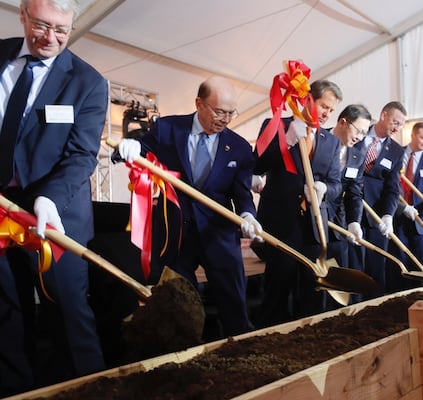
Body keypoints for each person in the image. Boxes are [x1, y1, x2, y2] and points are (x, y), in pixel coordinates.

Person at [0, 0, 108, 394]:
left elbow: (82, 155)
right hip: (1, 215)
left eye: (61, 30)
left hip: (56, 216)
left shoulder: (87, 82)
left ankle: (91, 389)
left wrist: (49, 197)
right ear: (23, 15)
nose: (51, 39)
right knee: (7, 311)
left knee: (69, 314)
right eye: (42, 26)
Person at [117, 76, 262, 338]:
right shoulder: (168, 129)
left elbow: (241, 194)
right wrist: (131, 144)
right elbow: (142, 146)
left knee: (233, 297)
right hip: (175, 232)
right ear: (199, 103)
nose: (225, 119)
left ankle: (240, 343)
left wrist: (248, 215)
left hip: (218, 232)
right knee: (179, 300)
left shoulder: (239, 148)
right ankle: (187, 349)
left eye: (231, 113)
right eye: (219, 111)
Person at [253, 79, 342, 327]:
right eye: (324, 106)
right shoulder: (277, 126)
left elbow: (336, 184)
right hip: (281, 225)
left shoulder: (331, 141)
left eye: (331, 111)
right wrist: (289, 140)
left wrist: (324, 189)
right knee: (277, 292)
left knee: (312, 295)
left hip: (313, 229)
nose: (326, 114)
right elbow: (258, 164)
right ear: (308, 99)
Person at [351, 101, 406, 296]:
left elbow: (393, 188)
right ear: (384, 115)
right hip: (349, 211)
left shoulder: (397, 151)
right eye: (395, 122)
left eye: (401, 125)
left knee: (376, 267)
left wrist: (388, 215)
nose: (397, 128)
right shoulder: (358, 134)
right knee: (353, 266)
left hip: (375, 216)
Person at [388, 122, 423, 292]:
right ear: (412, 135)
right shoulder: (396, 154)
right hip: (398, 216)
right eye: (422, 137)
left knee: (420, 262)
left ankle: (419, 295)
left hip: (422, 220)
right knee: (400, 262)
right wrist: (401, 208)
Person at [327, 104, 371, 278]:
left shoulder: (357, 156)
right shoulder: (317, 139)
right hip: (309, 220)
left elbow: (354, 193)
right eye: (358, 131)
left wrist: (354, 221)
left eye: (364, 134)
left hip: (338, 223)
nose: (360, 138)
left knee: (339, 276)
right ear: (343, 123)